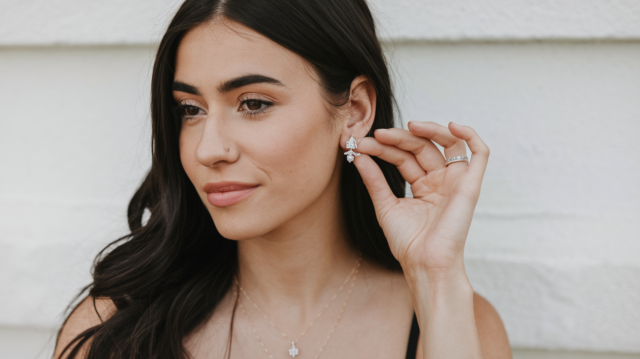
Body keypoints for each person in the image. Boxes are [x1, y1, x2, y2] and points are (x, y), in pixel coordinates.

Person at [54, 0, 511, 358]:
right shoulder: (114, 330)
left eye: (253, 103)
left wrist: (436, 277)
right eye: (190, 110)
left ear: (355, 111)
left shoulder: (454, 322)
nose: (208, 149)